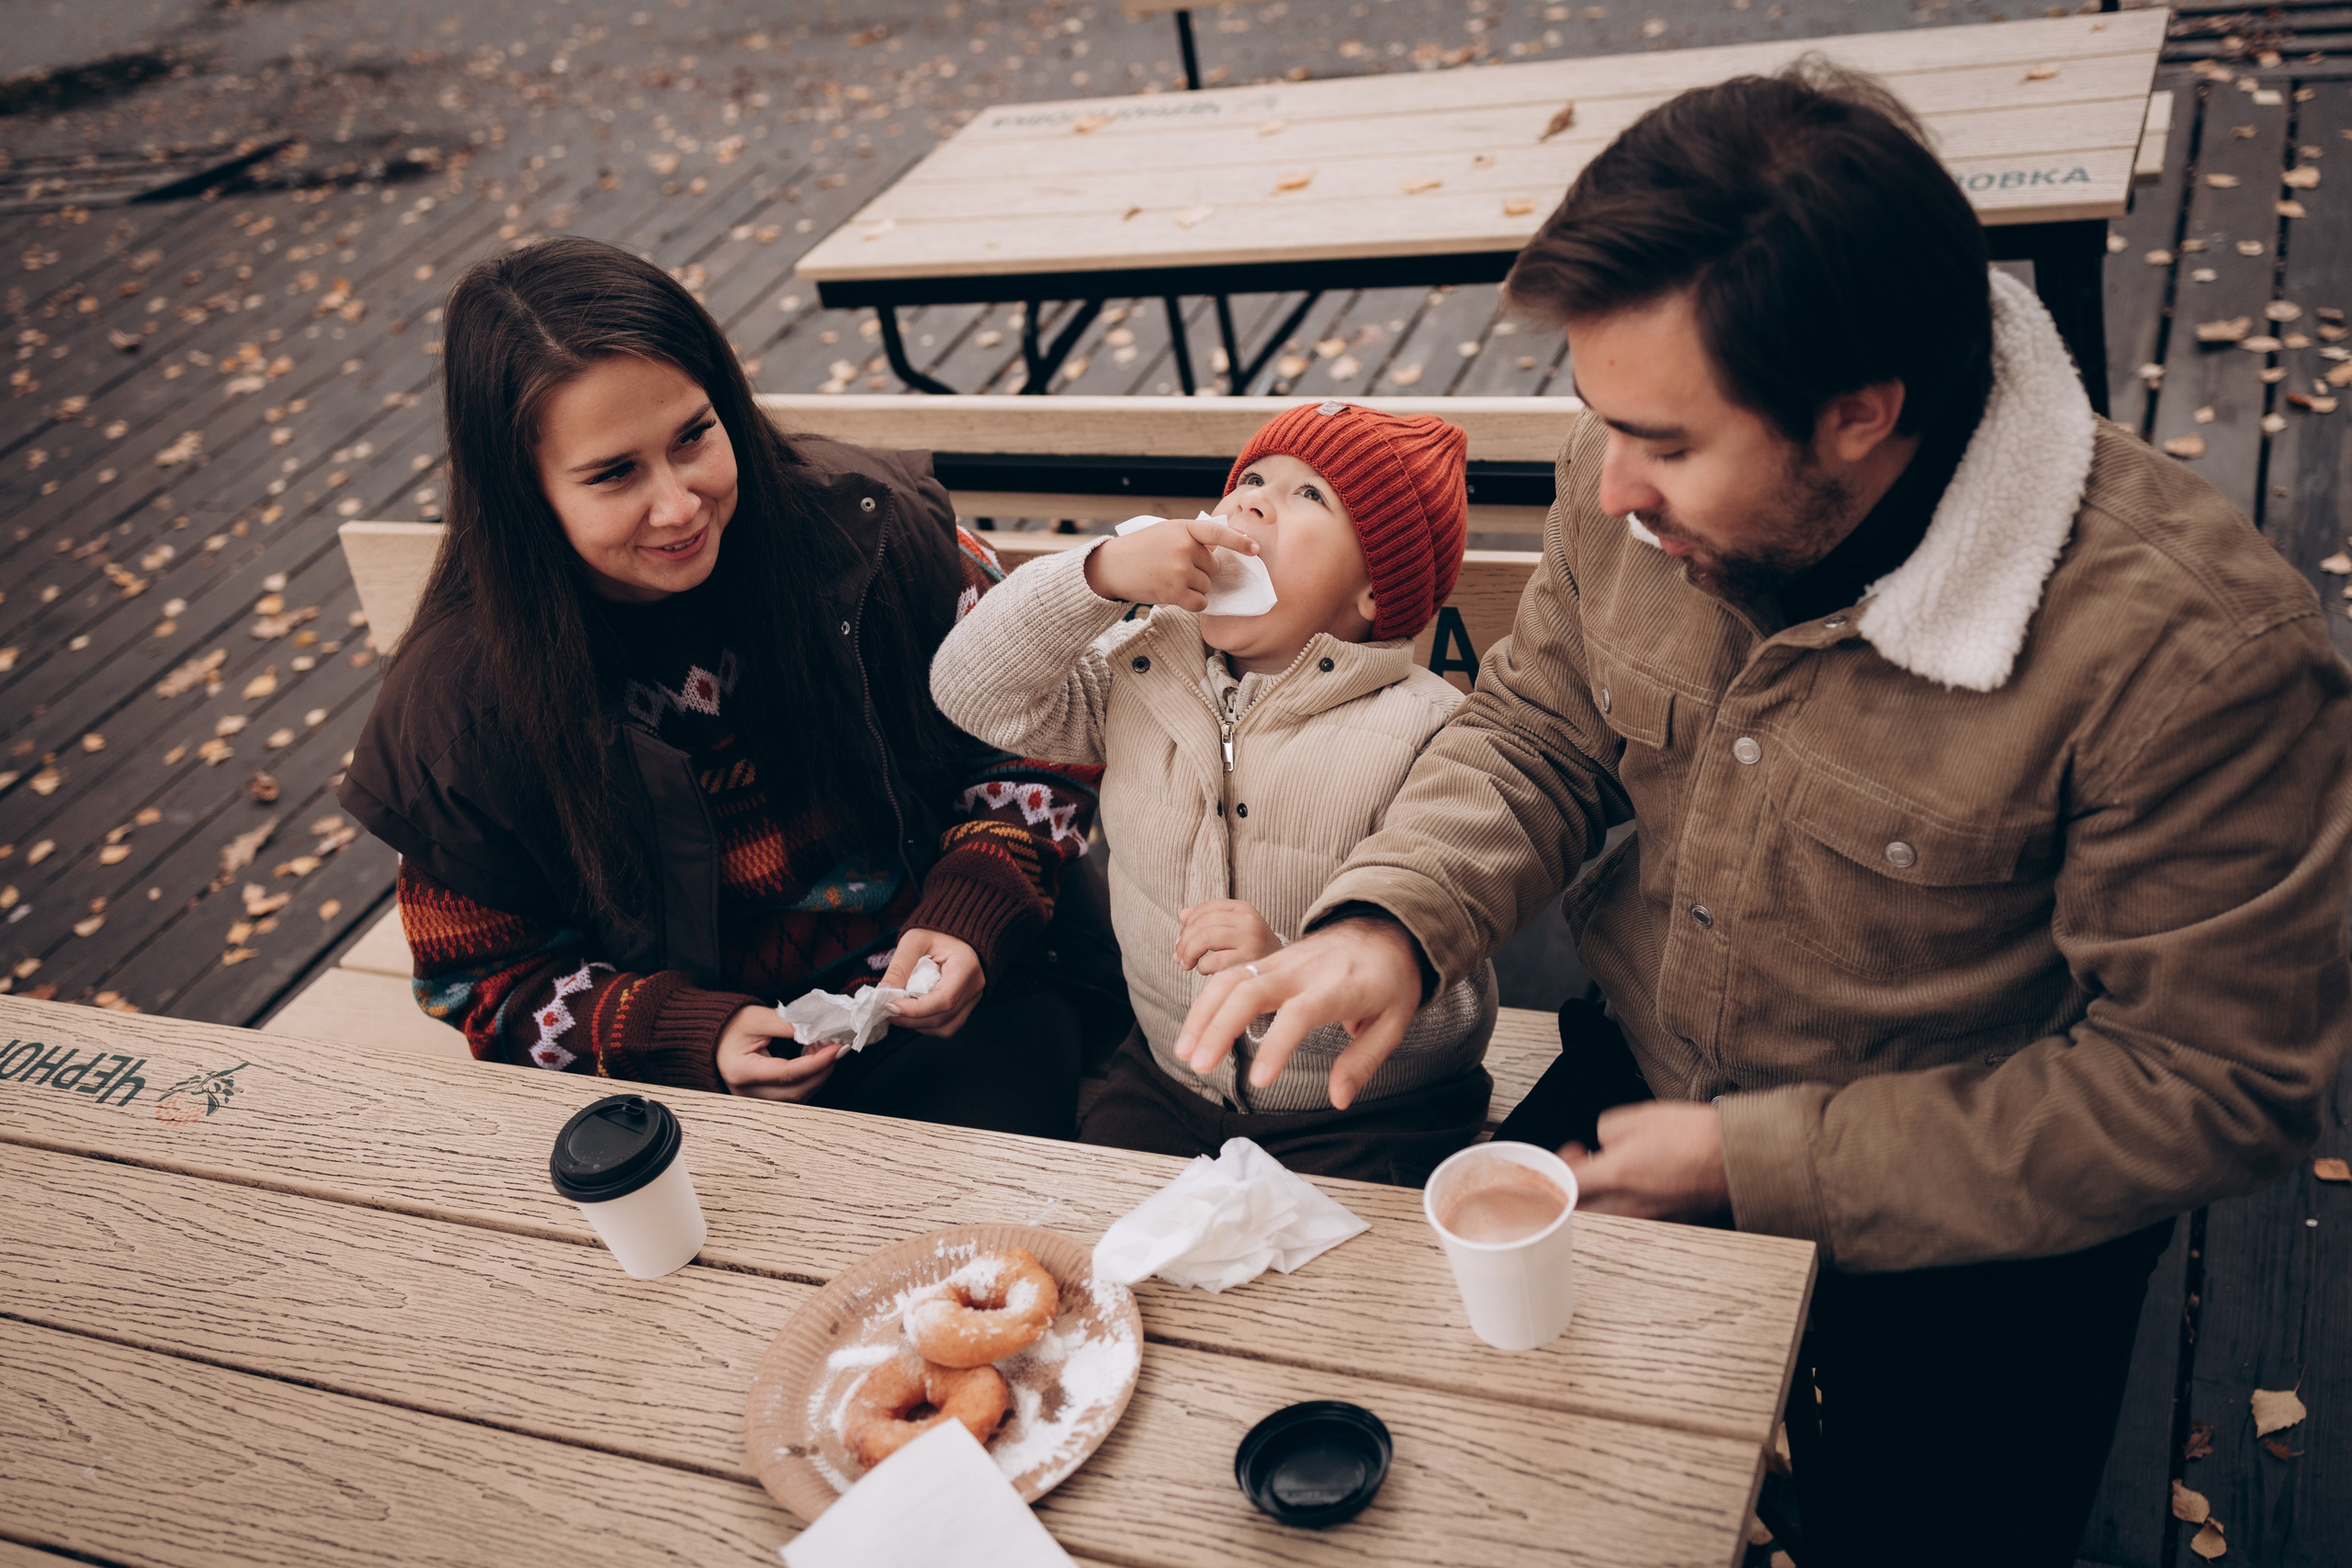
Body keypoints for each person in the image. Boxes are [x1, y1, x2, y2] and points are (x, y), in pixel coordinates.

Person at [1170, 62, 2352, 1565]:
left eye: (1666, 446)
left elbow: (2211, 1079)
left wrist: (1751, 1163)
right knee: (1480, 1472)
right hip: (1646, 1074)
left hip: (1988, 1218)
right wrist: (1393, 915)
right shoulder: (1633, 462)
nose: (1610, 491)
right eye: (1603, 426)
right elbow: (1539, 726)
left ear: (1861, 414)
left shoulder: (2195, 655)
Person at [341, 235, 1110, 1139]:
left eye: (693, 437)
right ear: (523, 492)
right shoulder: (457, 712)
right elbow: (480, 974)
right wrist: (678, 1037)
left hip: (985, 999)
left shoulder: (873, 530)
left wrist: (982, 895)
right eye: (614, 473)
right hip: (694, 1104)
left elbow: (1044, 722)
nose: (678, 504)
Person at [929, 402, 1497, 1185]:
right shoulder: (1138, 671)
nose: (1253, 500)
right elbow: (969, 690)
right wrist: (1099, 573)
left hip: (1364, 1109)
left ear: (1376, 591)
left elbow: (1456, 1003)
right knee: (1097, 1248)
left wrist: (1290, 966)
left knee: (1337, 1290)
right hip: (1169, 1075)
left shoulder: (1427, 733)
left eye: (1310, 497)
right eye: (1252, 479)